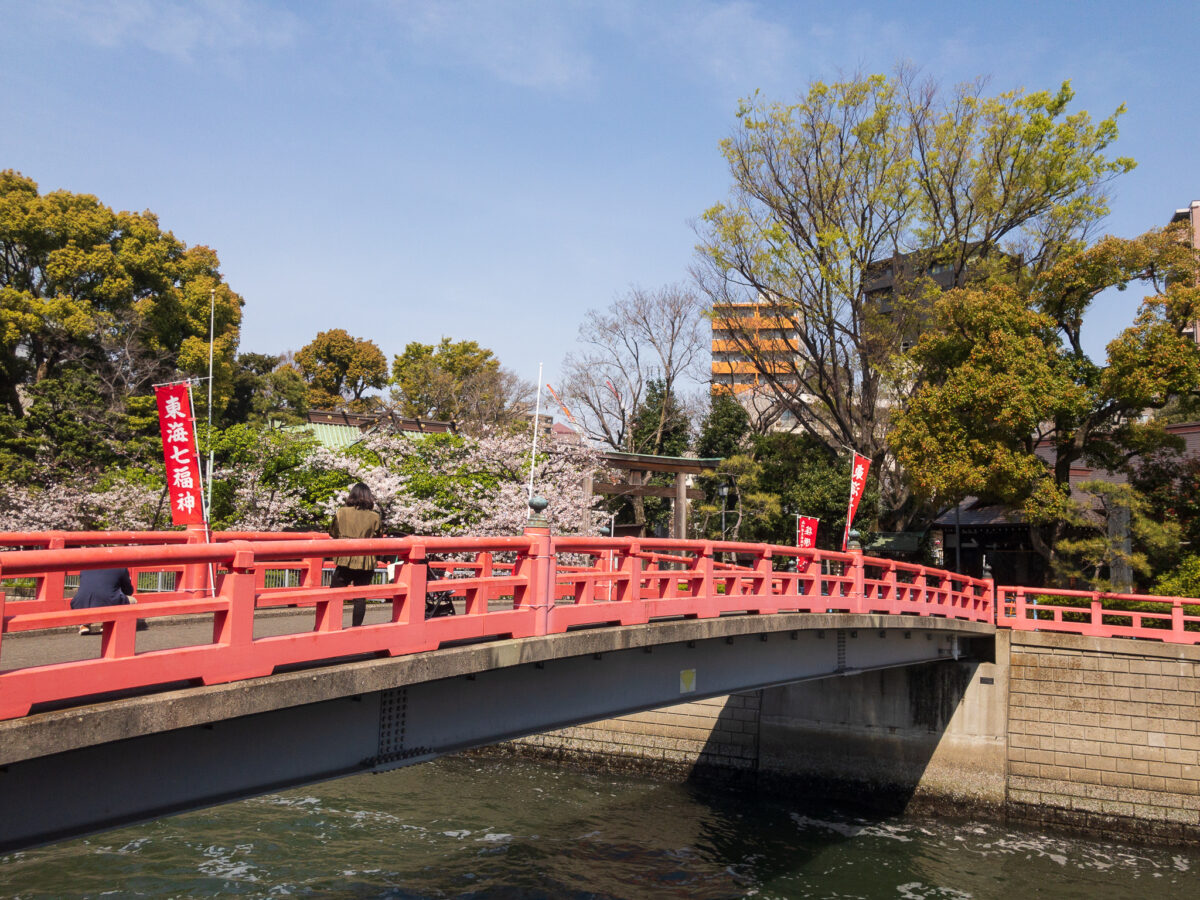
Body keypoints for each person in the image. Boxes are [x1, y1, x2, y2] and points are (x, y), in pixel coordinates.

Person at [329, 482, 383, 626]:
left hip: (345, 557)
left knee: (334, 594)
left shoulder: (342, 512)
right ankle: (356, 629)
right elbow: (379, 539)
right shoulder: (374, 516)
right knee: (360, 597)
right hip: (366, 559)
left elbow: (333, 532)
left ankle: (331, 626)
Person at [71, 567, 136, 635]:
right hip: (108, 601)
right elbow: (128, 591)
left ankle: (84, 624)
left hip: (79, 603)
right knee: (133, 600)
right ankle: (107, 624)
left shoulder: (87, 565)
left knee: (91, 596)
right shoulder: (120, 567)